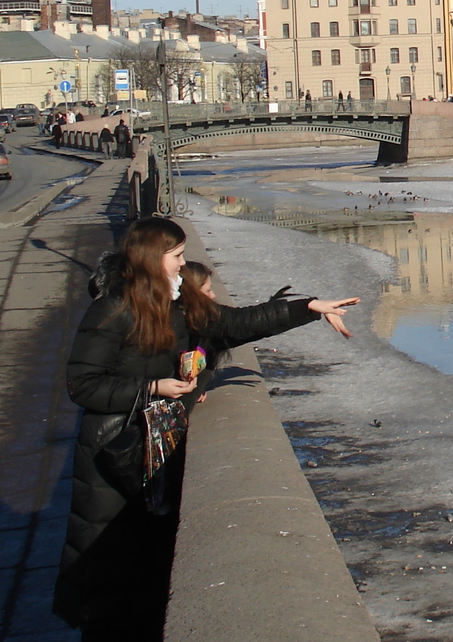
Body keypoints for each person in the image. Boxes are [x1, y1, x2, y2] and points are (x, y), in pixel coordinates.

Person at [54, 217, 359, 640]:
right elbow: (81, 384)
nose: (183, 264)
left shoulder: (180, 304)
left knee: (149, 565)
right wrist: (153, 386)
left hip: (157, 441)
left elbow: (237, 323)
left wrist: (307, 307)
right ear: (151, 258)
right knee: (113, 571)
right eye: (176, 256)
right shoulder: (113, 309)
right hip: (116, 450)